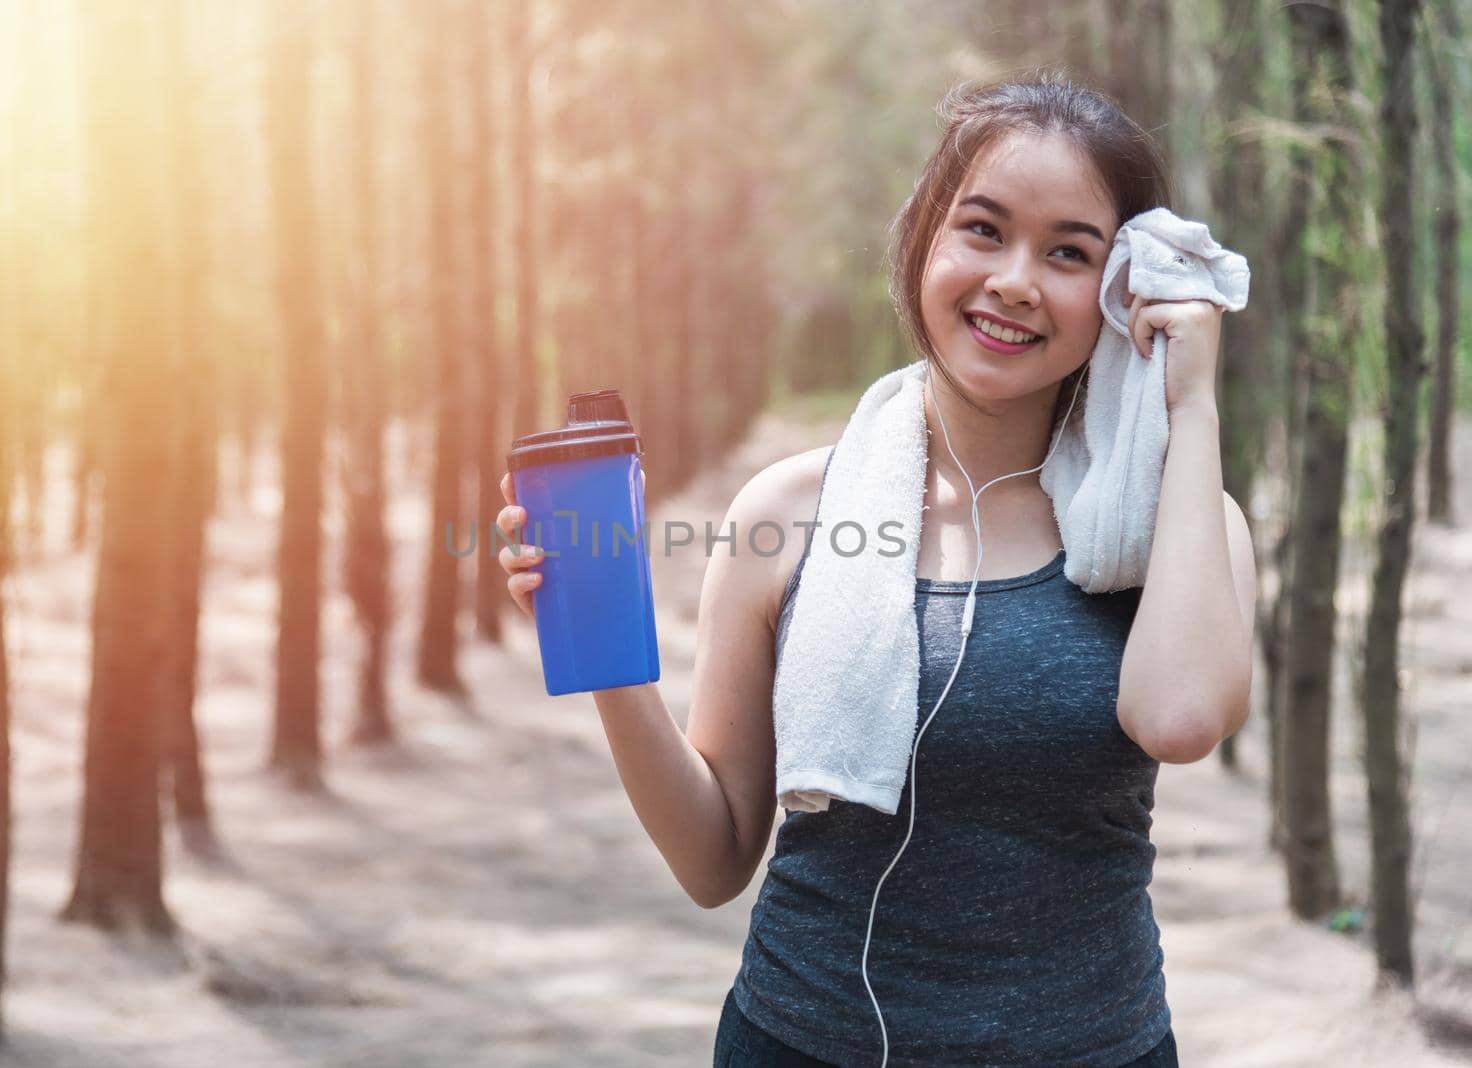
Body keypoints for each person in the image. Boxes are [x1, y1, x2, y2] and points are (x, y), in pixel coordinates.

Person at [496, 71, 1257, 1068]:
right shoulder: (785, 515)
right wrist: (607, 651)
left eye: (1067, 252)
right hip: (801, 1040)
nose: (1016, 280)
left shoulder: (1179, 525)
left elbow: (1180, 719)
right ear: (923, 239)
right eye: (982, 230)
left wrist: (1190, 406)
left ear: (1120, 293)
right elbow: (714, 856)